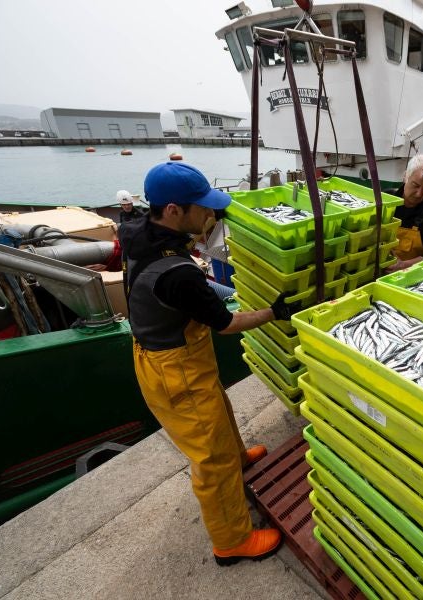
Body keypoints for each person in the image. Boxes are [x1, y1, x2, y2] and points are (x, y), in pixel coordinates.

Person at [119, 162, 295, 566]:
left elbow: (190, 289)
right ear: (174, 210)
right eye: (203, 208)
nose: (211, 215)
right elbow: (228, 323)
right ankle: (231, 541)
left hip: (171, 353)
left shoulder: (138, 232)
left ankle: (237, 456)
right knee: (209, 458)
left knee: (218, 409)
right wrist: (275, 311)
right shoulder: (177, 273)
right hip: (174, 368)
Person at [385, 154, 423, 273]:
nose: (419, 193)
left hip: (413, 273)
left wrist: (402, 266)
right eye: (415, 185)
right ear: (405, 177)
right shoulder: (386, 199)